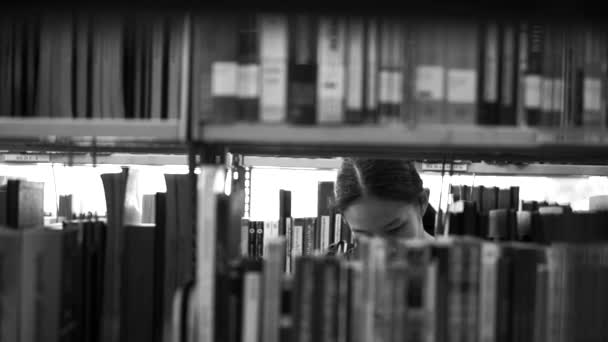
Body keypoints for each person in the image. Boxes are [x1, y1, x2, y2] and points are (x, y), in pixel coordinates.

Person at [326, 158, 435, 257]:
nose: (382, 254)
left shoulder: (449, 270)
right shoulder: (337, 273)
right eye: (365, 237)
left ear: (422, 202)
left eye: (394, 230)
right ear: (345, 219)